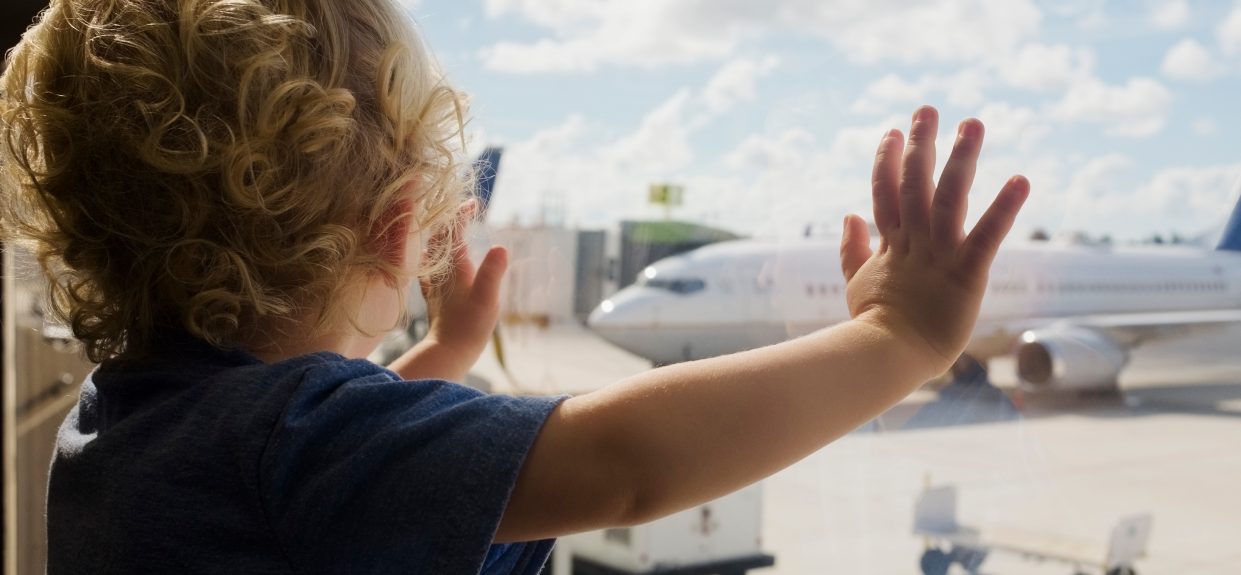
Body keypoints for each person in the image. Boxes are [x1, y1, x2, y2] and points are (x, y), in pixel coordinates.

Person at [0, 0, 1029, 573]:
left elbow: (325, 472)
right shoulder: (285, 444)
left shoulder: (121, 417)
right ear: (398, 228)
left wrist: (442, 355)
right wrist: (899, 337)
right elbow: (625, 464)